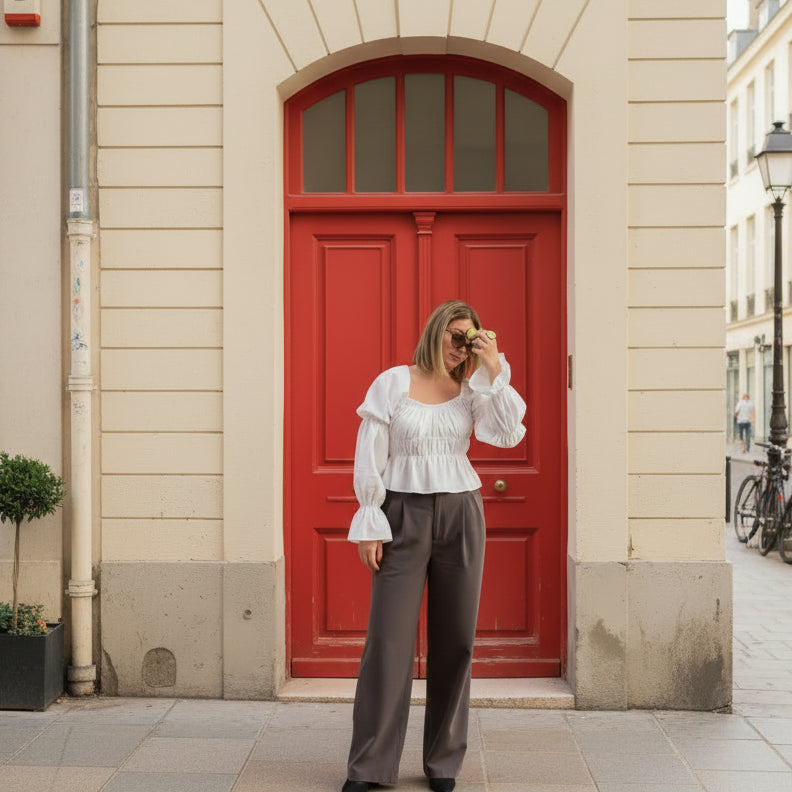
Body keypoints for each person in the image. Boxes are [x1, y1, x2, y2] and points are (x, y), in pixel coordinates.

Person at [342, 300, 527, 792]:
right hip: (401, 513)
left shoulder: (474, 390)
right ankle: (370, 768)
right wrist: (370, 521)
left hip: (461, 513)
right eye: (455, 335)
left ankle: (443, 762)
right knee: (387, 642)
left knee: (456, 642)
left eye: (470, 339)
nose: (460, 346)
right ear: (436, 332)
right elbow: (370, 453)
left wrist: (495, 368)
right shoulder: (392, 383)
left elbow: (508, 434)